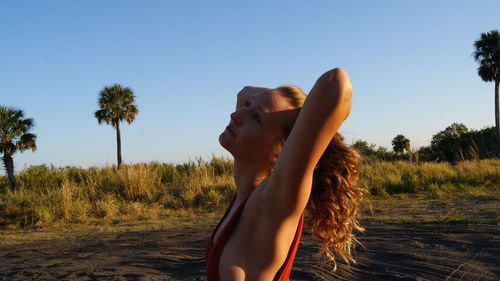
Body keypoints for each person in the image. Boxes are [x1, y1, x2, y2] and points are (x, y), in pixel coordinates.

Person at [206, 68, 364, 280]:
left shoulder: (272, 202)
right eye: (247, 106)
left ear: (279, 152)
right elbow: (244, 92)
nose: (235, 115)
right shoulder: (244, 197)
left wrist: (299, 116)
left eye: (256, 118)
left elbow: (337, 82)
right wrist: (274, 102)